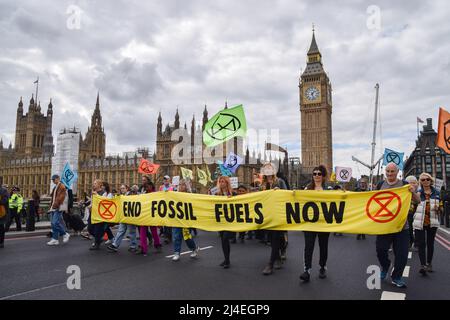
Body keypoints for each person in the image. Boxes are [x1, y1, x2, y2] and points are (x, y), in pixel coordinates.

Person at [374, 163, 421, 288]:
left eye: (392, 171)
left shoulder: (405, 185)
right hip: (384, 227)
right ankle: (385, 266)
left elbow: (418, 201)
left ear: (397, 171)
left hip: (402, 227)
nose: (390, 174)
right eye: (388, 171)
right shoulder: (380, 185)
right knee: (381, 250)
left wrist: (413, 192)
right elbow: (370, 200)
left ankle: (396, 277)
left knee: (402, 255)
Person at [299, 165, 330, 282]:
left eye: (319, 174)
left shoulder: (328, 190)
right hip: (310, 223)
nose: (316, 176)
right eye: (314, 173)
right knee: (308, 247)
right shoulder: (307, 189)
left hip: (323, 223)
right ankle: (307, 270)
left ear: (323, 176)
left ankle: (322, 267)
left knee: (323, 246)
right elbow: (296, 198)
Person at [262, 163, 288, 276]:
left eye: (270, 168)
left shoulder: (280, 182)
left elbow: (287, 195)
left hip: (278, 213)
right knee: (272, 239)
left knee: (276, 237)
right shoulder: (263, 184)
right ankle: (278, 257)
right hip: (267, 214)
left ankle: (270, 264)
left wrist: (279, 191)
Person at [413, 173, 441, 275]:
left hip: (432, 222)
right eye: (423, 180)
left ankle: (429, 263)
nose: (425, 181)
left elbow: (442, 208)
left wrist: (439, 209)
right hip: (420, 222)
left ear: (431, 180)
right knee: (421, 244)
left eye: (427, 179)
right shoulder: (418, 193)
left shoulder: (437, 193)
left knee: (430, 244)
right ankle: (423, 265)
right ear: (420, 182)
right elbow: (412, 207)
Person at [171, 179, 200, 261]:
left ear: (186, 186)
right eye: (179, 184)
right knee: (176, 236)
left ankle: (194, 248)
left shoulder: (190, 195)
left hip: (186, 220)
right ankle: (176, 253)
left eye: (183, 184)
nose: (181, 186)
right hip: (176, 219)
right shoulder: (175, 194)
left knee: (187, 237)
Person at [107, 184, 138, 253]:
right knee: (120, 231)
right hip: (123, 216)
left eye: (123, 188)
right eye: (121, 188)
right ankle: (115, 245)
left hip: (130, 217)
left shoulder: (131, 195)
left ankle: (133, 246)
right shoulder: (120, 196)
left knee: (132, 231)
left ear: (127, 189)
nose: (122, 190)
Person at [137, 175, 161, 256]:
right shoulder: (141, 188)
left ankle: (157, 245)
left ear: (147, 180)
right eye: (142, 180)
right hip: (143, 212)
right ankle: (143, 248)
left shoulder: (151, 188)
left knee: (153, 230)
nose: (143, 181)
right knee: (142, 231)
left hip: (150, 212)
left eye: (144, 180)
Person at [89, 180, 114, 250]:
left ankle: (97, 243)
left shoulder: (104, 193)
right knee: (90, 229)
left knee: (98, 229)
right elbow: (93, 201)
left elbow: (103, 202)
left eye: (95, 183)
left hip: (99, 214)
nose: (93, 185)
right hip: (93, 212)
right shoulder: (93, 193)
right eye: (93, 183)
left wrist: (96, 195)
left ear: (100, 185)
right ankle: (99, 238)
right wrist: (90, 206)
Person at [217, 176, 235, 269]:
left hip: (230, 220)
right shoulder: (218, 194)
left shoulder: (233, 193)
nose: (221, 183)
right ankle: (226, 259)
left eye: (223, 181)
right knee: (223, 241)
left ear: (227, 183)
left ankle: (227, 261)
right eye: (220, 182)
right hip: (221, 220)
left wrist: (232, 198)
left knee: (225, 238)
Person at [47, 175, 70, 246]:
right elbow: (53, 197)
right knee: (53, 224)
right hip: (53, 207)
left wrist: (54, 206)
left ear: (58, 179)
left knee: (55, 223)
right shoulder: (55, 187)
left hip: (58, 207)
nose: (53, 181)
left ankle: (65, 234)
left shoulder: (62, 186)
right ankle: (55, 239)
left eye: (54, 179)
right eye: (52, 180)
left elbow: (60, 198)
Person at [405, 176, 419, 249]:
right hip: (409, 214)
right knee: (409, 228)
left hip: (418, 215)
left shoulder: (420, 193)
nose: (413, 184)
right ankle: (410, 241)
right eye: (410, 183)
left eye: (414, 183)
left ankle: (417, 243)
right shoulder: (404, 193)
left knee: (418, 229)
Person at [159, 175, 174, 244]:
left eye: (166, 179)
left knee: (169, 222)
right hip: (163, 206)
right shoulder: (161, 187)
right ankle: (166, 235)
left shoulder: (172, 187)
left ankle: (169, 237)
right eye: (164, 179)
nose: (165, 180)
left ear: (169, 180)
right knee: (165, 221)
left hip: (170, 206)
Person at [0, 177, 9, 248]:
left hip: (1, 211)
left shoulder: (4, 190)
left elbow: (5, 201)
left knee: (1, 227)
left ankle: (1, 242)